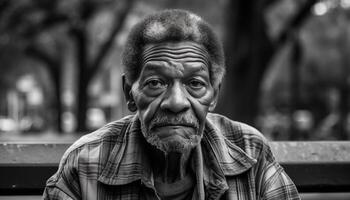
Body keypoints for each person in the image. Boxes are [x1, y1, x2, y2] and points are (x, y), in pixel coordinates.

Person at [43, 9, 300, 200]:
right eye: (155, 83)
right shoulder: (86, 163)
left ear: (214, 95)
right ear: (129, 94)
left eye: (195, 84)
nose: (176, 103)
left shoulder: (249, 150)